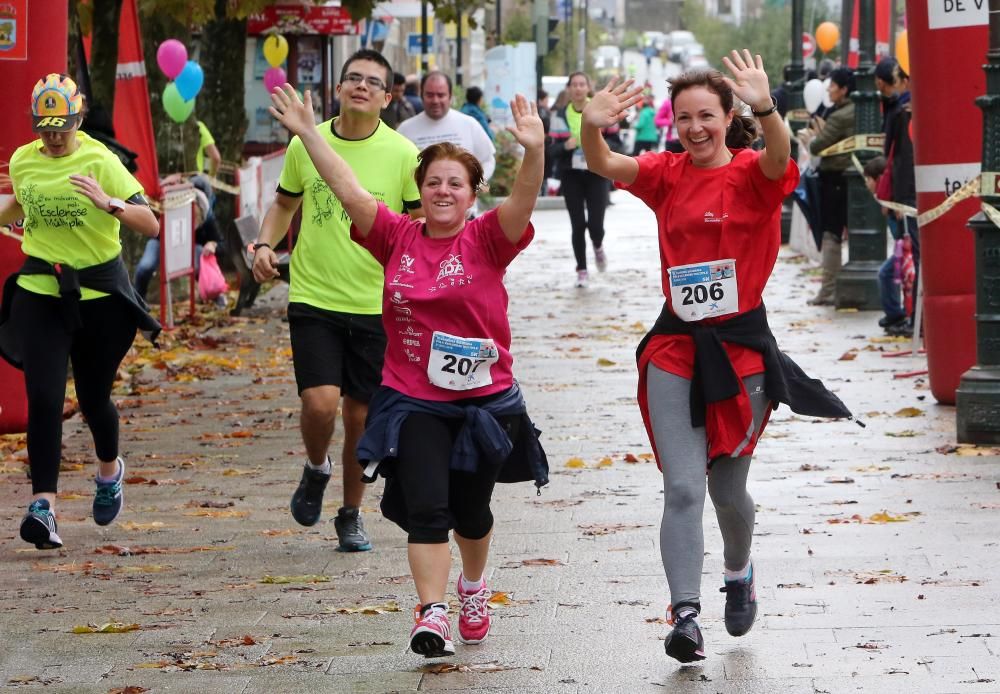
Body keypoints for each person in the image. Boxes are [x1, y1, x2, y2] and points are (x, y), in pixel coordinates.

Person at [580, 51, 853, 663]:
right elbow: (602, 161)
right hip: (675, 347)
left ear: (728, 117)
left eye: (706, 116)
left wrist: (768, 106)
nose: (695, 128)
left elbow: (784, 158)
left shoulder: (756, 171)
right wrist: (590, 124)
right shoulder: (665, 173)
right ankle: (684, 616)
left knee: (728, 490)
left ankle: (739, 570)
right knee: (683, 488)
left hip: (741, 353)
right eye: (684, 119)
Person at [269, 85, 548, 659]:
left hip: (483, 401)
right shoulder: (396, 236)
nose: (443, 191)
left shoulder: (488, 239)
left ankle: (473, 588)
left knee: (471, 512)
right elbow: (347, 189)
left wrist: (534, 150)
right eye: (433, 183)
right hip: (415, 396)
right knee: (426, 508)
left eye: (455, 184)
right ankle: (433, 612)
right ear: (419, 191)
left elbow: (523, 197)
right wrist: (307, 132)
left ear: (472, 195)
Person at [252, 49, 423, 552]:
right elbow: (284, 204)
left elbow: (415, 232)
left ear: (387, 97)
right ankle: (314, 466)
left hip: (376, 303)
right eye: (353, 78)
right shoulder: (308, 141)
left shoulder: (401, 155)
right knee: (319, 403)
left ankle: (351, 514)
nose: (361, 86)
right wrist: (265, 244)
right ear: (340, 88)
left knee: (360, 419)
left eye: (373, 82)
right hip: (314, 295)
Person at [0, 73, 161, 549]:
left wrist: (109, 202)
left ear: (79, 116)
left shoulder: (99, 158)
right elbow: (17, 206)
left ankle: (109, 470)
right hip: (40, 288)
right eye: (45, 127)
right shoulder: (25, 161)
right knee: (45, 398)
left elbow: (150, 224)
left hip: (100, 297)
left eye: (62, 126)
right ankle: (44, 507)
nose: (53, 136)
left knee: (93, 400)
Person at [548, 72, 621, 287]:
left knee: (596, 225)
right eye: (574, 85)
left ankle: (598, 245)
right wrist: (565, 146)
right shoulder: (558, 115)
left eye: (582, 84)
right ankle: (581, 269)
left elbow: (616, 143)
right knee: (577, 224)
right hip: (571, 175)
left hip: (597, 174)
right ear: (569, 89)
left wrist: (600, 146)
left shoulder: (602, 112)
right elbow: (551, 150)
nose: (578, 88)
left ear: (588, 88)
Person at [802, 67, 855, 306]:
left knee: (831, 234)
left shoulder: (841, 116)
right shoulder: (847, 111)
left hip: (835, 180)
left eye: (833, 85)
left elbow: (817, 146)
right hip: (845, 179)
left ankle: (829, 289)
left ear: (844, 89)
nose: (829, 89)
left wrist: (812, 140)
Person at [133, 174, 226, 307]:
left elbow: (223, 245)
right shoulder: (169, 202)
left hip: (188, 249)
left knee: (201, 253)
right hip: (161, 242)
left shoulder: (208, 220)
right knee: (145, 266)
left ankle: (216, 295)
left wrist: (213, 245)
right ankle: (138, 301)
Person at [398, 72, 496, 185]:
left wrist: (475, 186)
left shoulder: (469, 125)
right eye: (430, 95)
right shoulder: (405, 130)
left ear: (450, 96)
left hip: (463, 202)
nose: (435, 101)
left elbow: (488, 160)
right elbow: (395, 168)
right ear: (421, 95)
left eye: (440, 95)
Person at [880, 62, 917, 337]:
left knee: (912, 256)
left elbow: (899, 158)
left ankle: (914, 316)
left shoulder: (903, 111)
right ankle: (911, 315)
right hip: (906, 193)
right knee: (910, 254)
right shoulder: (901, 109)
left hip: (909, 194)